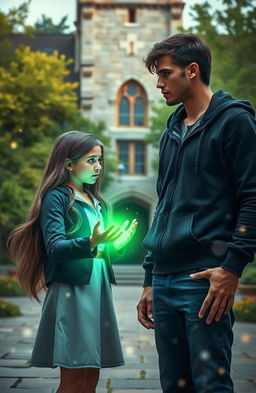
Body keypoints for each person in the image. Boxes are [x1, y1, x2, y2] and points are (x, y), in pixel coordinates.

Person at [137, 33, 256, 393]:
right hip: (165, 279)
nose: (158, 84)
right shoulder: (171, 129)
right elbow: (164, 203)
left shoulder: (234, 122)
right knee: (175, 385)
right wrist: (149, 276)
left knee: (210, 386)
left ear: (192, 71)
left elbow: (252, 197)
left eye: (165, 73)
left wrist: (232, 267)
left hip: (205, 279)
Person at [8, 130, 138, 393]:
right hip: (72, 292)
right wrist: (90, 242)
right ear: (68, 163)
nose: (98, 167)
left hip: (98, 291)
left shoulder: (98, 201)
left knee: (91, 379)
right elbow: (55, 247)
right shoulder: (56, 198)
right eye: (91, 160)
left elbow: (101, 250)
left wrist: (118, 246)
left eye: (100, 160)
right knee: (74, 380)